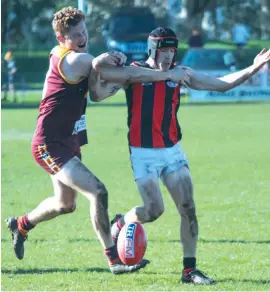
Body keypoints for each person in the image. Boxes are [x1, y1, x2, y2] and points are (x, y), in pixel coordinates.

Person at [5, 8, 186, 275]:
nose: (83, 37)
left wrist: (104, 65)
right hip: (49, 143)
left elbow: (98, 94)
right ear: (60, 38)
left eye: (85, 32)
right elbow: (125, 75)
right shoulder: (74, 60)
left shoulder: (81, 59)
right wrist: (166, 75)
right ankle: (114, 261)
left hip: (68, 141)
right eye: (76, 35)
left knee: (65, 204)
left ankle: (20, 224)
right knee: (98, 192)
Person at [89, 27, 270, 284]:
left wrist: (254, 68)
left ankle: (189, 270)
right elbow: (98, 89)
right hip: (143, 153)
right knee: (153, 211)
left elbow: (222, 85)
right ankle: (123, 221)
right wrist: (98, 63)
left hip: (172, 150)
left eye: (172, 50)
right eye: (164, 50)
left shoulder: (181, 73)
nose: (168, 56)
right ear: (153, 50)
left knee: (188, 207)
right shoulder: (134, 72)